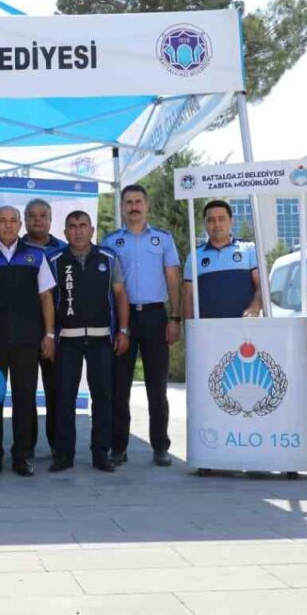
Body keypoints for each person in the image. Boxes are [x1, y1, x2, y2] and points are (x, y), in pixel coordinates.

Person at [0, 206, 56, 477]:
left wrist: (49, 334)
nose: (8, 225)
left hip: (27, 340)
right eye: (2, 221)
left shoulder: (36, 256)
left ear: (20, 224)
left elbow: (46, 297)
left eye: (13, 220)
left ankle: (21, 458)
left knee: (24, 400)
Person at [104, 184, 181, 467]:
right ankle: (118, 447)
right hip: (123, 321)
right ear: (122, 207)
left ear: (146, 205)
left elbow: (173, 279)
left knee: (157, 388)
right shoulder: (110, 241)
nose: (134, 207)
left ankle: (160, 447)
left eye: (138, 202)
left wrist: (175, 318)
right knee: (119, 387)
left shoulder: (163, 239)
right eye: (129, 202)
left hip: (155, 317)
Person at [48, 210, 129, 473]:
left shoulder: (108, 257)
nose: (78, 230)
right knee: (64, 399)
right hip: (67, 341)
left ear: (92, 230)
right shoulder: (54, 260)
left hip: (101, 339)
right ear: (65, 233)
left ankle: (101, 454)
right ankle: (64, 455)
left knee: (103, 398)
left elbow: (120, 295)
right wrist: (49, 336)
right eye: (72, 226)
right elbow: (46, 300)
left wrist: (123, 330)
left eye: (83, 225)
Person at [23, 198, 67, 460]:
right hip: (25, 332)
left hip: (57, 332)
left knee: (56, 391)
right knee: (26, 392)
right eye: (32, 215)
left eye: (42, 215)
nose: (37, 220)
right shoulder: (15, 249)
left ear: (50, 220)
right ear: (25, 220)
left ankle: (57, 445)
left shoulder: (64, 250)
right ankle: (27, 445)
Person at [182, 199, 262, 320]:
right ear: (205, 224)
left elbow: (262, 286)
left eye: (221, 219)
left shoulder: (249, 249)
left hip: (244, 327)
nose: (217, 224)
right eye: (211, 220)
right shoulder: (194, 256)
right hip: (208, 328)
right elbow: (188, 296)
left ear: (231, 221)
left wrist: (254, 307)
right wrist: (189, 328)